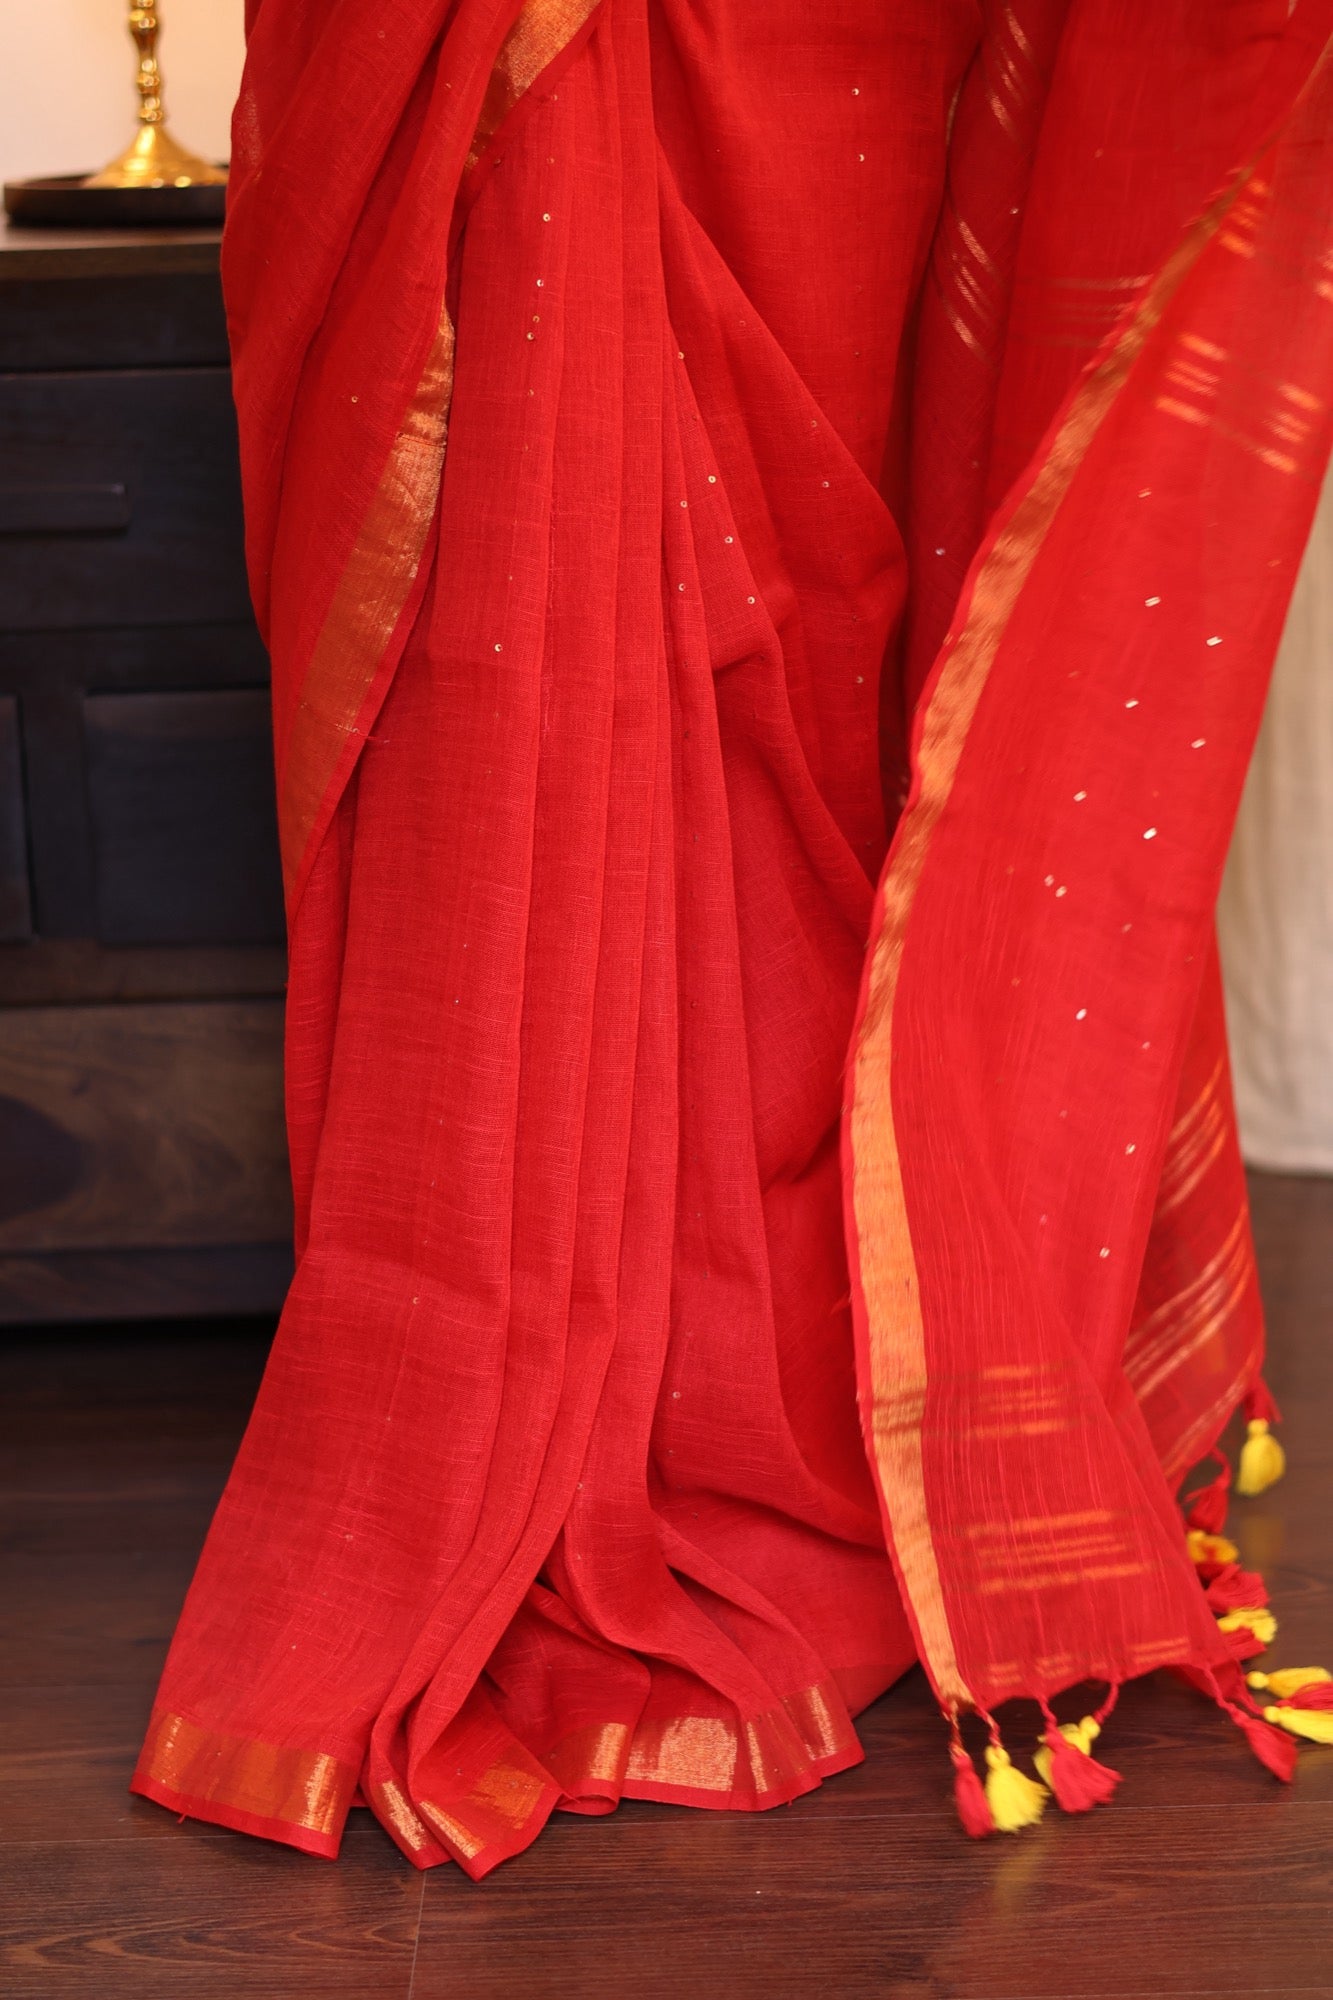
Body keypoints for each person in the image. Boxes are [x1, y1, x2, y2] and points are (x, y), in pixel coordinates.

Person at [132, 0, 1333, 1873]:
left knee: (848, 675)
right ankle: (663, 1413)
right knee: (592, 677)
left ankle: (862, 1377)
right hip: (593, 79)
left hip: (864, 74)